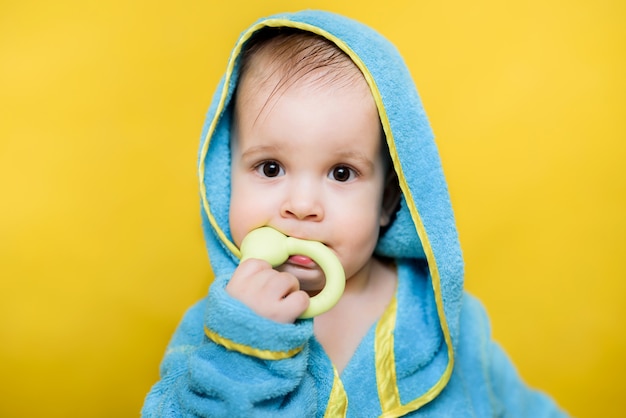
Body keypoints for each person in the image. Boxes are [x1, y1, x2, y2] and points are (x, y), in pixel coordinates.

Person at [142, 10, 567, 417]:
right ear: (225, 178)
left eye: (342, 173)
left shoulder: (446, 327)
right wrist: (243, 352)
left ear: (387, 202)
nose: (303, 206)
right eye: (270, 168)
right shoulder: (217, 330)